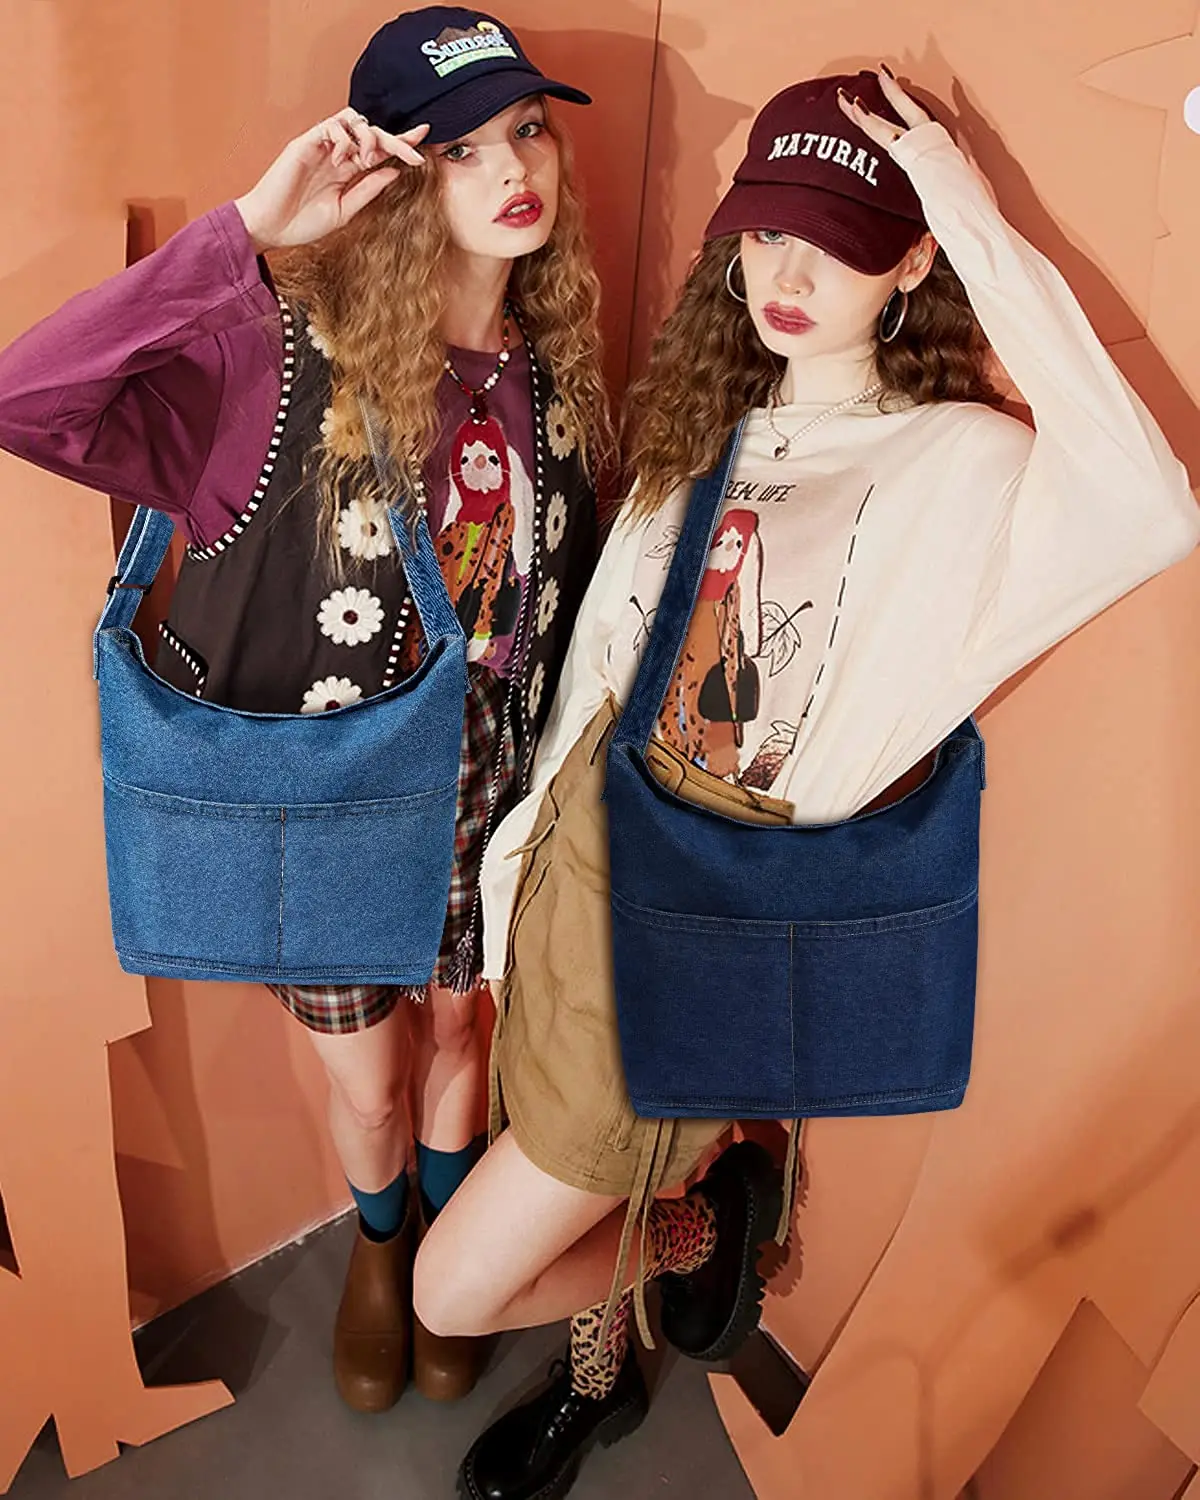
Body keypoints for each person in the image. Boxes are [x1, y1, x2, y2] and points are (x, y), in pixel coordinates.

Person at [410, 66, 1199, 1500]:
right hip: (582, 855)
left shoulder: (958, 462)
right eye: (767, 232)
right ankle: (597, 1375)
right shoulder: (711, 427)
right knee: (553, 1140)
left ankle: (702, 1232)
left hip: (709, 924)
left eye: (836, 242)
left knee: (452, 1291)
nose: (785, 274)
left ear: (911, 264)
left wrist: (960, 202)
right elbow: (604, 668)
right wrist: (518, 858)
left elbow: (1149, 507)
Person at [0, 6, 607, 1413]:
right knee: (370, 1082)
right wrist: (247, 233)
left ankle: (452, 1251)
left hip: (489, 779)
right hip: (323, 794)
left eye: (526, 130)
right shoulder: (271, 364)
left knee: (462, 1036)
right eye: (458, 150)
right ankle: (383, 1254)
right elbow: (28, 397)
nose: (511, 168)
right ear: (391, 177)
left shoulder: (555, 370)